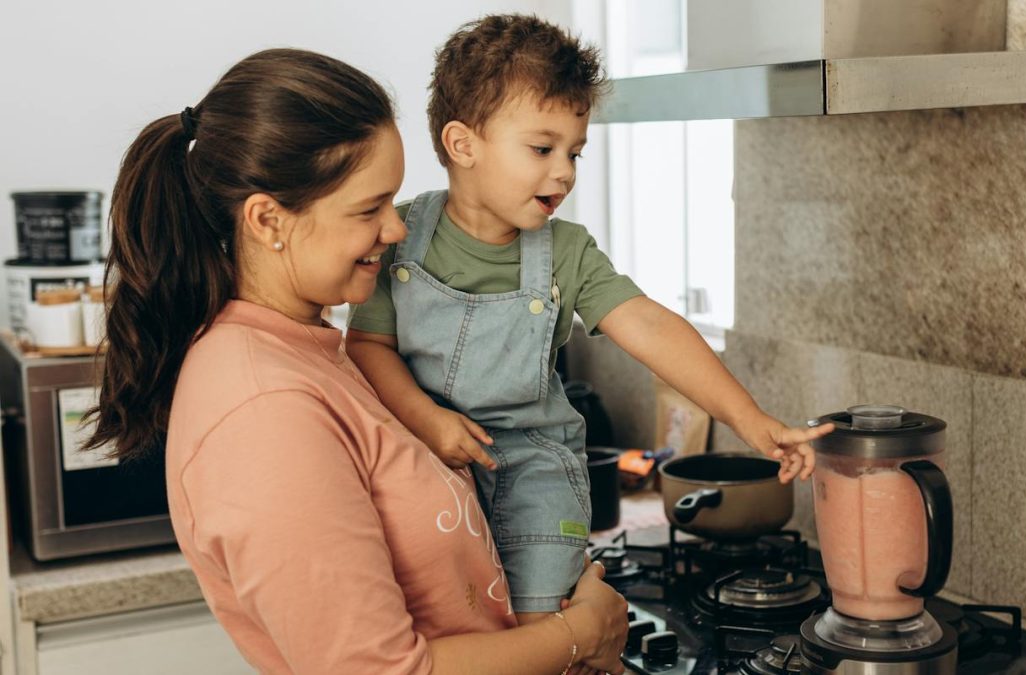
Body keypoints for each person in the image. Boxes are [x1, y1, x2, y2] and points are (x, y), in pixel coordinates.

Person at [86, 48, 627, 675]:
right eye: (369, 209)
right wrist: (576, 635)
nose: (396, 230)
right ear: (268, 220)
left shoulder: (316, 348)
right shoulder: (263, 412)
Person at [346, 14, 835, 621]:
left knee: (540, 628)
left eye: (574, 152)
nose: (565, 172)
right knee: (449, 626)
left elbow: (651, 327)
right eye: (542, 148)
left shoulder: (567, 252)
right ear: (462, 144)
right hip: (424, 459)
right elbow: (366, 347)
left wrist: (750, 419)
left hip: (534, 476)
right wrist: (428, 420)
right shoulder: (395, 234)